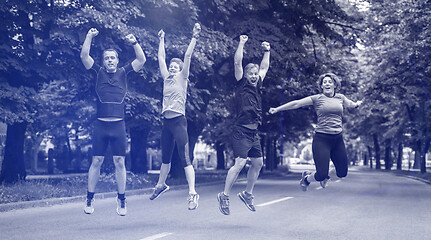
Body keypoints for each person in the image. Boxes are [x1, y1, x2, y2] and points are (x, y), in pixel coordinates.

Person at [80, 28, 146, 216]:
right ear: (103, 61)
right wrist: (89, 36)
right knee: (97, 161)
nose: (110, 60)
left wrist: (134, 42)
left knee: (119, 163)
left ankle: (122, 199)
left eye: (113, 58)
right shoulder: (98, 71)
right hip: (101, 126)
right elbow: (84, 55)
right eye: (107, 58)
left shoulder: (124, 72)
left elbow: (141, 61)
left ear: (117, 60)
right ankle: (89, 198)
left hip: (118, 126)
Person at [269, 73, 362, 191]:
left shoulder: (341, 97)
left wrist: (357, 104)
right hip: (322, 139)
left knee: (342, 173)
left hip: (338, 139)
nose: (327, 84)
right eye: (325, 82)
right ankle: (306, 178)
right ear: (322, 86)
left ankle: (324, 175)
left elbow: (351, 105)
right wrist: (277, 109)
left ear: (335, 84)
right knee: (321, 174)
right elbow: (297, 103)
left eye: (330, 82)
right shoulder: (317, 98)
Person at [148, 23, 201, 210]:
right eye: (171, 66)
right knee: (165, 158)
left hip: (179, 121)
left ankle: (193, 193)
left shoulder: (182, 78)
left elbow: (187, 56)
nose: (171, 68)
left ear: (180, 70)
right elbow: (160, 57)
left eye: (175, 67)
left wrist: (194, 37)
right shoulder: (166, 79)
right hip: (166, 122)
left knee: (184, 157)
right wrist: (161, 40)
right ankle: (161, 185)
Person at [217, 35, 270, 215]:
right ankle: (224, 195)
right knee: (240, 163)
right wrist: (241, 43)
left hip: (253, 132)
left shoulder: (258, 84)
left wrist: (267, 51)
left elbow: (264, 66)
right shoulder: (241, 83)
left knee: (258, 163)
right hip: (240, 130)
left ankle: (247, 194)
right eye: (251, 74)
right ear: (246, 75)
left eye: (255, 74)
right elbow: (237, 62)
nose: (254, 76)